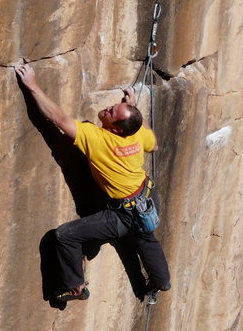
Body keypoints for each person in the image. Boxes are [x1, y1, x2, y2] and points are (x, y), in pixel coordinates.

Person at [15, 62, 171, 304]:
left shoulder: (97, 139)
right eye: (114, 107)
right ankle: (161, 281)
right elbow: (155, 144)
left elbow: (57, 118)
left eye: (113, 113)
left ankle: (75, 287)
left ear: (117, 130)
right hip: (147, 199)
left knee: (64, 236)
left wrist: (31, 85)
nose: (108, 109)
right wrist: (133, 107)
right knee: (146, 239)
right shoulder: (136, 132)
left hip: (122, 214)